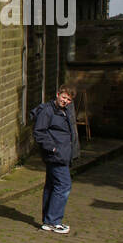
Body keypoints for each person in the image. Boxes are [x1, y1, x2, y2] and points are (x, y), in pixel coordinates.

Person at [32, 85, 80, 234]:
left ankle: (48, 221)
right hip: (56, 155)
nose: (65, 101)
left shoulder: (65, 111)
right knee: (64, 186)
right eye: (63, 97)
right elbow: (39, 132)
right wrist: (52, 148)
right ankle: (54, 221)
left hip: (63, 154)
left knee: (52, 186)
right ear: (58, 94)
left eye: (68, 99)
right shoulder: (48, 111)